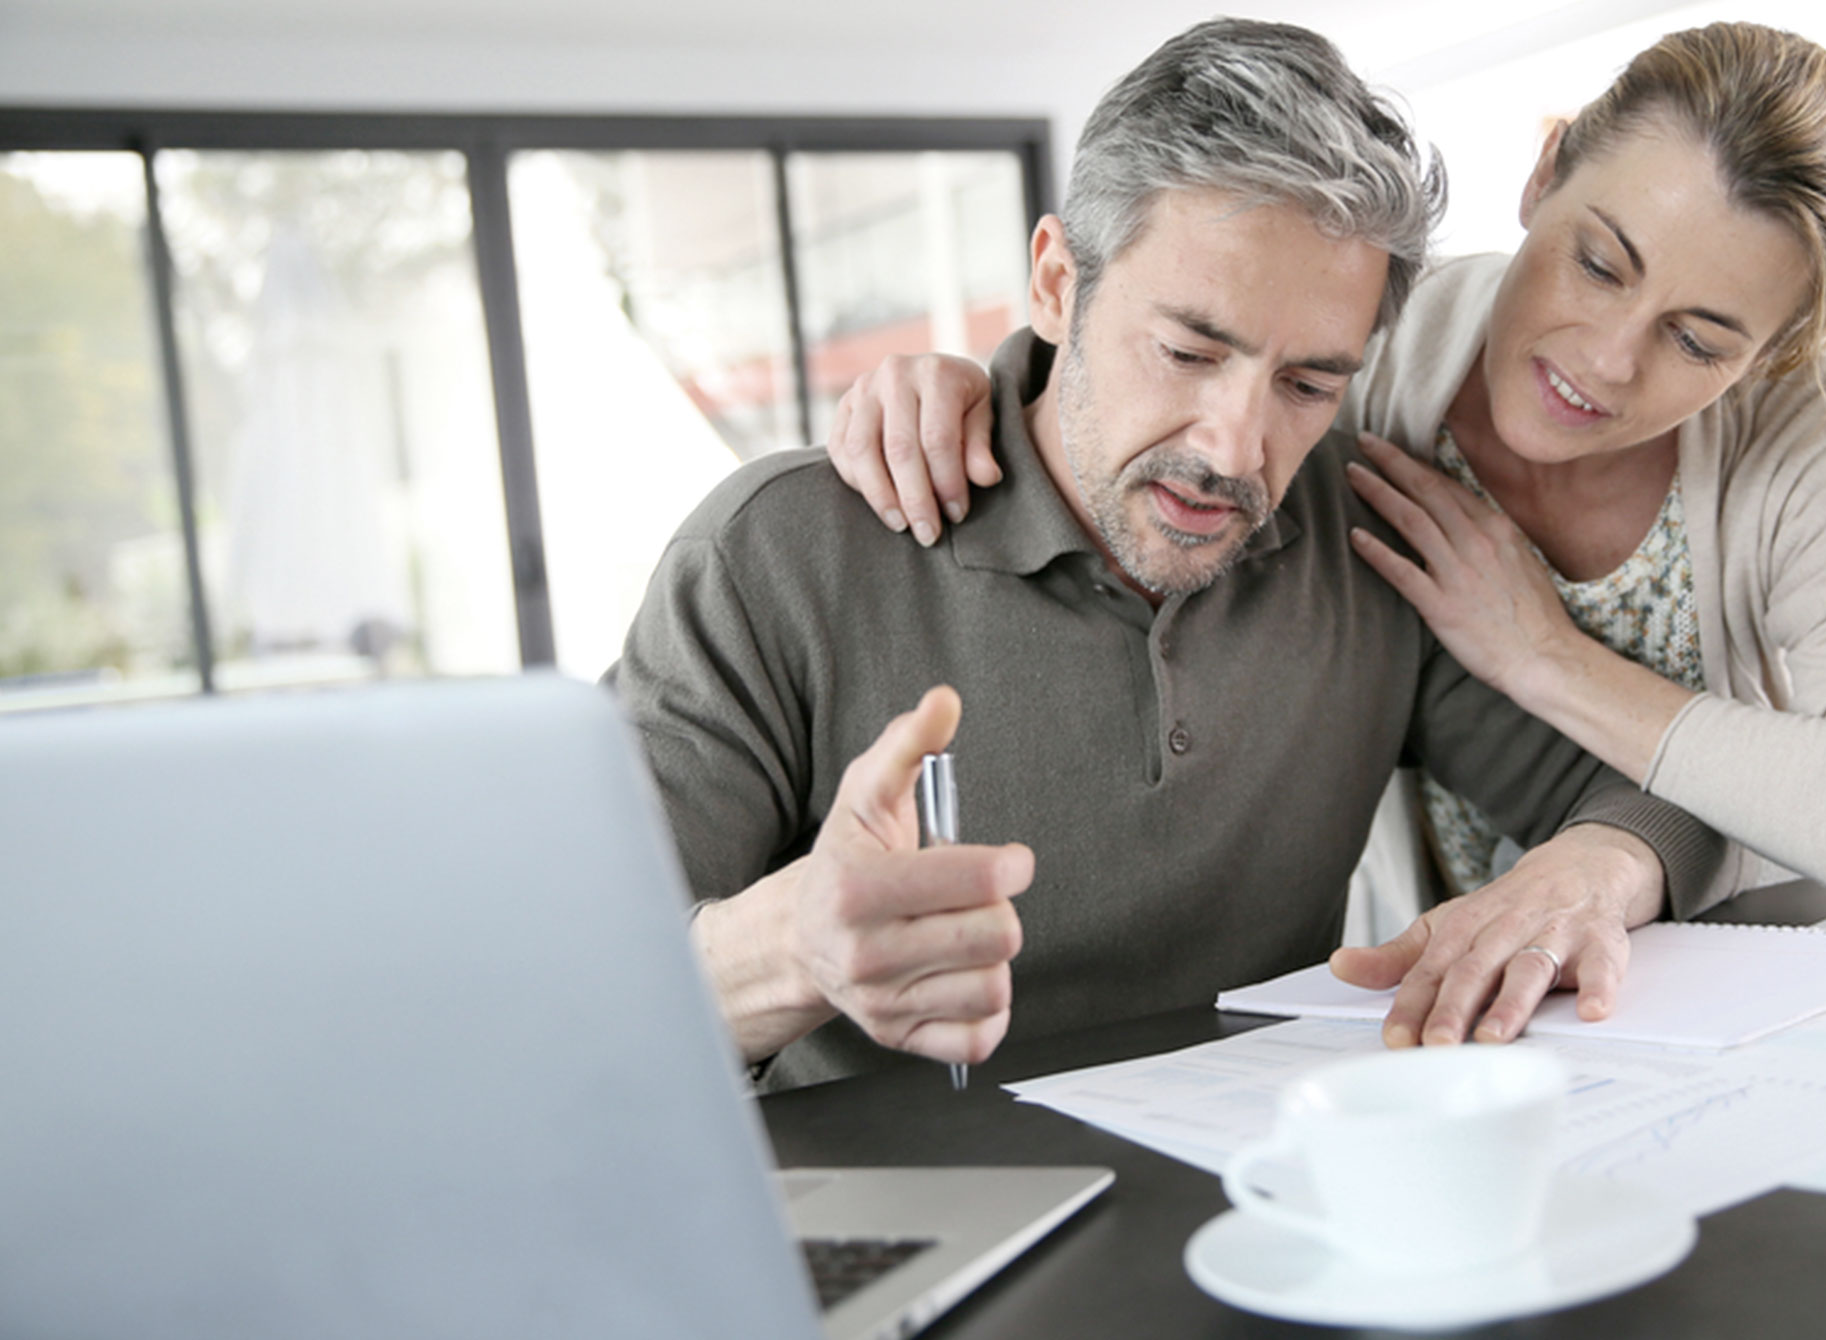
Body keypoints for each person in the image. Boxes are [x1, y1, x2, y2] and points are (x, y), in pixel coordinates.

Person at [606, 19, 1724, 1091]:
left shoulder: (1365, 533)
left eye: (1308, 384)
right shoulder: (780, 554)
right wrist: (789, 950)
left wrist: (1596, 871)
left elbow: (1649, 792)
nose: (1234, 448)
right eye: (1189, 350)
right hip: (899, 1232)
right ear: (1055, 283)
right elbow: (559, 1000)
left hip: (1262, 1201)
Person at [826, 21, 1826, 927]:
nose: (1604, 357)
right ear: (1544, 174)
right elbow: (1182, 355)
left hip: (1748, 955)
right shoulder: (1367, 353)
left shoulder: (1823, 437)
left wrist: (1542, 655)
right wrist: (982, 384)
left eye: (1698, 340)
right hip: (1460, 967)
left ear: (1772, 356)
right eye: (1596, 262)